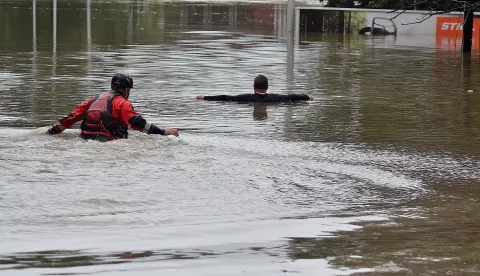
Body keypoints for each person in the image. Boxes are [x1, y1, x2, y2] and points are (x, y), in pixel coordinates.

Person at [47, 72, 179, 142]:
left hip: (84, 140)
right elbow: (137, 123)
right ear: (127, 90)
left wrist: (52, 132)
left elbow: (71, 118)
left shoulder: (93, 99)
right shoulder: (123, 103)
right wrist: (163, 132)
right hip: (108, 143)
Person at [196, 75, 313, 102]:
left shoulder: (245, 98)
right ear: (267, 87)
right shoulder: (276, 98)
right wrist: (306, 96)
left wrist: (205, 97)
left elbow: (226, 98)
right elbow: (291, 96)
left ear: (253, 86)